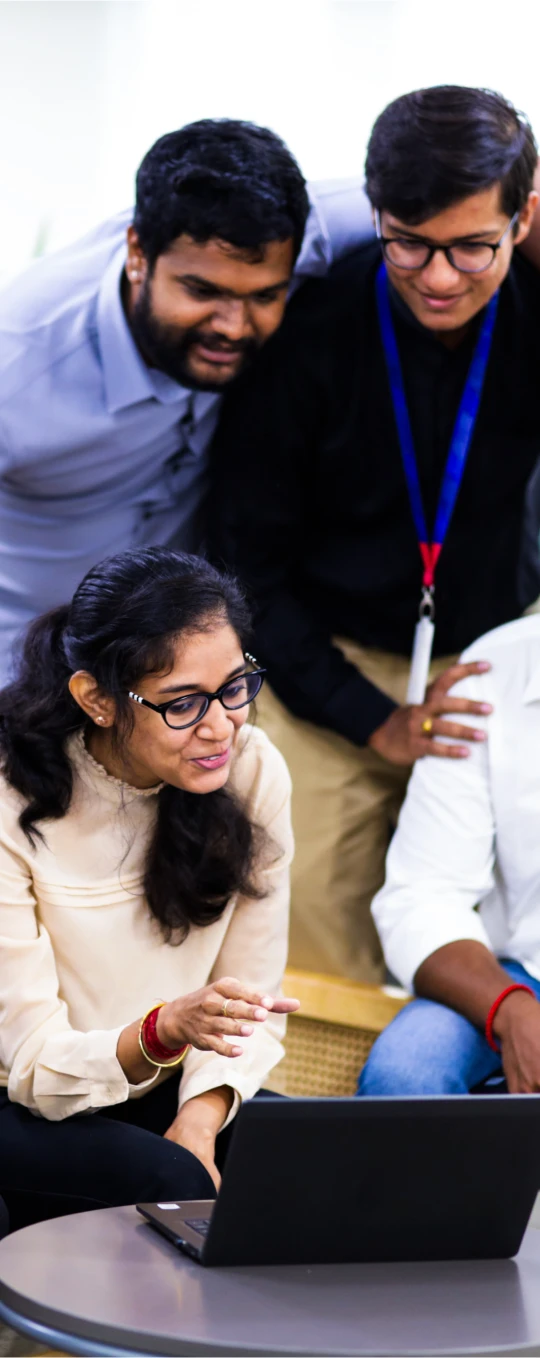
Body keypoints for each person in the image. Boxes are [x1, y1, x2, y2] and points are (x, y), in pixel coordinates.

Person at [209, 85, 540, 984]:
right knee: (297, 911)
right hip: (323, 662)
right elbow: (247, 571)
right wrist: (370, 719)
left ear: (526, 218)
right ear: (374, 211)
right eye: (409, 243)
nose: (439, 277)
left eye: (474, 245)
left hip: (492, 656)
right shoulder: (305, 331)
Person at [0, 118, 372, 681]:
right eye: (202, 291)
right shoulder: (17, 364)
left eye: (266, 295)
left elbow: (483, 190)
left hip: (184, 671)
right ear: (137, 254)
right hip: (26, 673)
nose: (233, 327)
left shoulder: (318, 231)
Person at [0, 547, 298, 1232]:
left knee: (330, 1156)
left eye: (234, 687)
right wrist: (164, 1030)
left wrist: (201, 1115)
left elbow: (249, 1001)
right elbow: (36, 1068)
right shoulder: (10, 795)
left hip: (157, 1084)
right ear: (96, 700)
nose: (221, 726)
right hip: (25, 1097)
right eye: (184, 704)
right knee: (169, 1178)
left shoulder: (250, 770)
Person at [358, 612, 540, 1097]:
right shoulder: (493, 672)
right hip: (525, 971)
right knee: (404, 1075)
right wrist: (510, 1007)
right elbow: (424, 892)